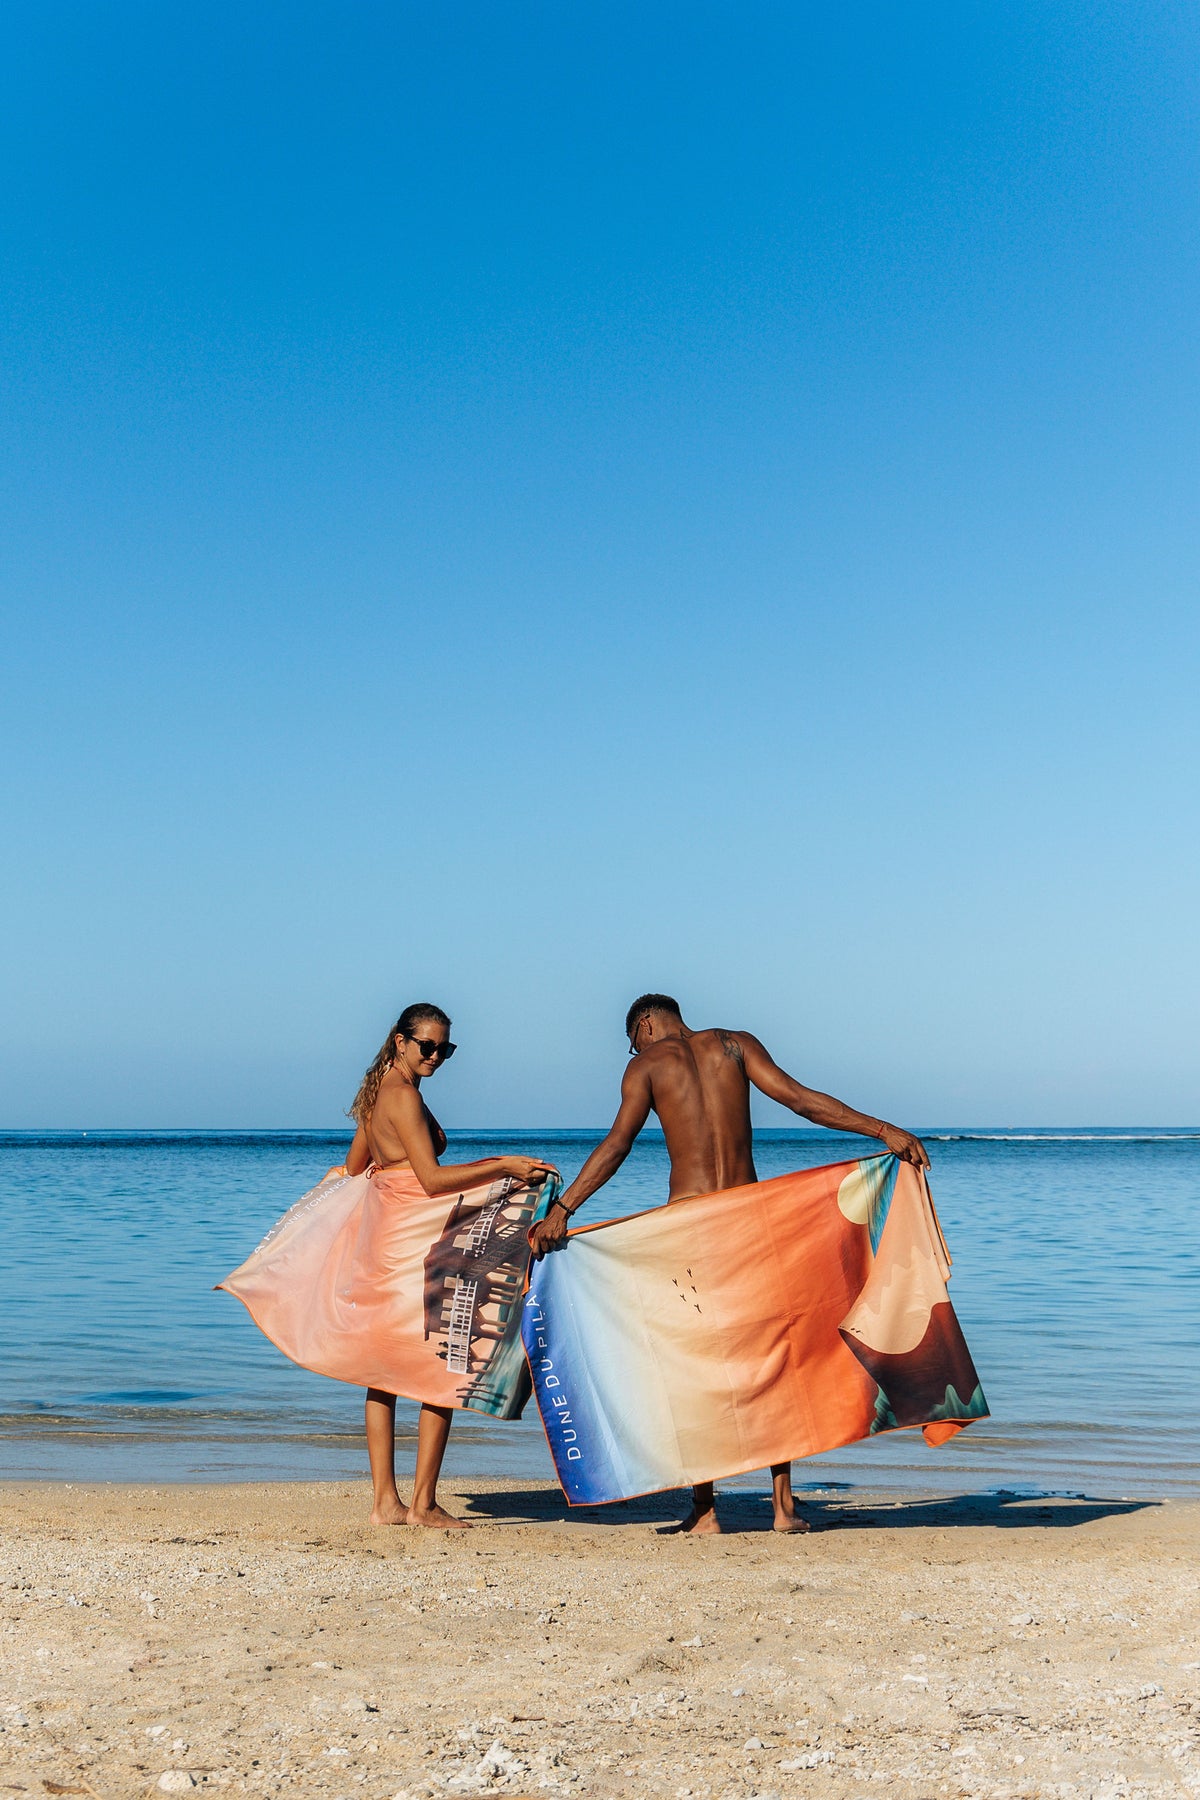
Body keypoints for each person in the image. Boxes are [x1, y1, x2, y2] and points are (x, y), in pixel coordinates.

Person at [528, 993, 928, 1536]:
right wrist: (885, 1131)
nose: (635, 1047)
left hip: (690, 1226)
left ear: (644, 1024)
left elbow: (618, 1144)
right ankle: (783, 1507)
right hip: (750, 1220)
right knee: (774, 1353)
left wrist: (564, 1209)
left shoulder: (645, 1065)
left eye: (632, 1038)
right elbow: (801, 1100)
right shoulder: (734, 1044)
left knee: (694, 1364)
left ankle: (706, 1509)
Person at [332, 1003, 558, 1529]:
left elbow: (356, 1167)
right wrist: (502, 1166)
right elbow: (432, 1181)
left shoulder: (375, 1093)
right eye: (428, 1046)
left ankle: (385, 1503)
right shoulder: (404, 1095)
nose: (436, 1056)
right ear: (400, 1042)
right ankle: (423, 1503)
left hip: (386, 1239)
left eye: (445, 1049)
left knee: (383, 1370)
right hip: (413, 1242)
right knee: (444, 1360)